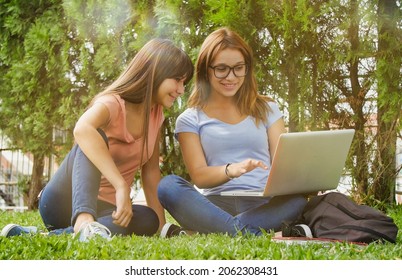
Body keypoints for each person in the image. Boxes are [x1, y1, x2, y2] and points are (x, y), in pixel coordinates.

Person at [1, 38, 194, 241]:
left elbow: (151, 172)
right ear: (156, 73)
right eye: (177, 80)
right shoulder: (112, 103)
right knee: (93, 135)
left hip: (106, 209)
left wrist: (161, 227)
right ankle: (83, 220)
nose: (181, 89)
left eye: (184, 82)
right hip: (63, 201)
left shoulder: (156, 115)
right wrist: (121, 186)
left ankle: (51, 235)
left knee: (148, 220)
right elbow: (82, 130)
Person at [157, 27, 307, 238]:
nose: (231, 76)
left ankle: (213, 232)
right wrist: (231, 170)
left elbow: (282, 164)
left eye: (238, 68)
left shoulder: (268, 109)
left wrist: (304, 178)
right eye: (221, 69)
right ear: (206, 70)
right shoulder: (190, 119)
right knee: (168, 186)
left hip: (264, 204)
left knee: (298, 200)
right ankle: (248, 232)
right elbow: (199, 177)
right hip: (213, 207)